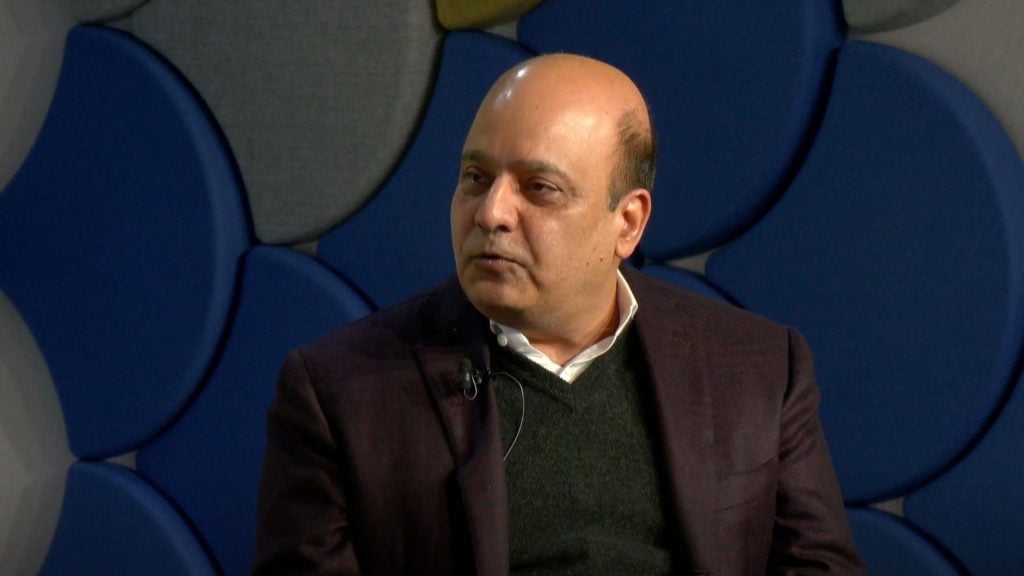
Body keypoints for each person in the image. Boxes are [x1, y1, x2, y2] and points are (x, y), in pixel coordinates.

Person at [253, 54, 864, 575]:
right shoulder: (338, 391)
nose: (491, 212)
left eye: (539, 188)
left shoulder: (758, 368)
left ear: (627, 222)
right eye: (475, 177)